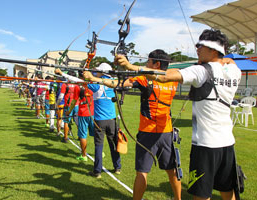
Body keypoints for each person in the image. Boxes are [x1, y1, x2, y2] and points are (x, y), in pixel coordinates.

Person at [116, 29, 241, 200]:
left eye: (200, 45)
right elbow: (229, 61)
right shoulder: (234, 71)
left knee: (201, 195)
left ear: (212, 50)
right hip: (227, 144)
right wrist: (224, 58)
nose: (196, 48)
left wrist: (131, 67)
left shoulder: (201, 71)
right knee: (228, 192)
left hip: (206, 145)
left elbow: (164, 76)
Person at [84, 50, 181, 200]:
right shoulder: (173, 77)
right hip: (166, 132)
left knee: (142, 172)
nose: (146, 64)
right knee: (171, 170)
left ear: (156, 64)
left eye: (149, 62)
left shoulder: (144, 79)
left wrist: (94, 79)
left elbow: (117, 84)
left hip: (148, 133)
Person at [83, 63, 121, 178]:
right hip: (112, 120)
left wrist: (85, 75)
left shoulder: (95, 85)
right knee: (113, 144)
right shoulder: (113, 83)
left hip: (100, 121)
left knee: (99, 146)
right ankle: (117, 167)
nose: (96, 72)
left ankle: (97, 171)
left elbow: (83, 81)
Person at [65, 75, 95, 162]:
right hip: (92, 113)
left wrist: (69, 111)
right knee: (96, 135)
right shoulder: (93, 84)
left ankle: (84, 155)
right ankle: (100, 152)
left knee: (82, 135)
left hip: (83, 114)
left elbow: (74, 101)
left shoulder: (78, 87)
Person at [56, 70, 79, 143]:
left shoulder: (65, 84)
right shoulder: (78, 84)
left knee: (66, 121)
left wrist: (57, 104)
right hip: (77, 105)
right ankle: (80, 136)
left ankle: (65, 138)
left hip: (69, 106)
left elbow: (61, 96)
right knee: (78, 121)